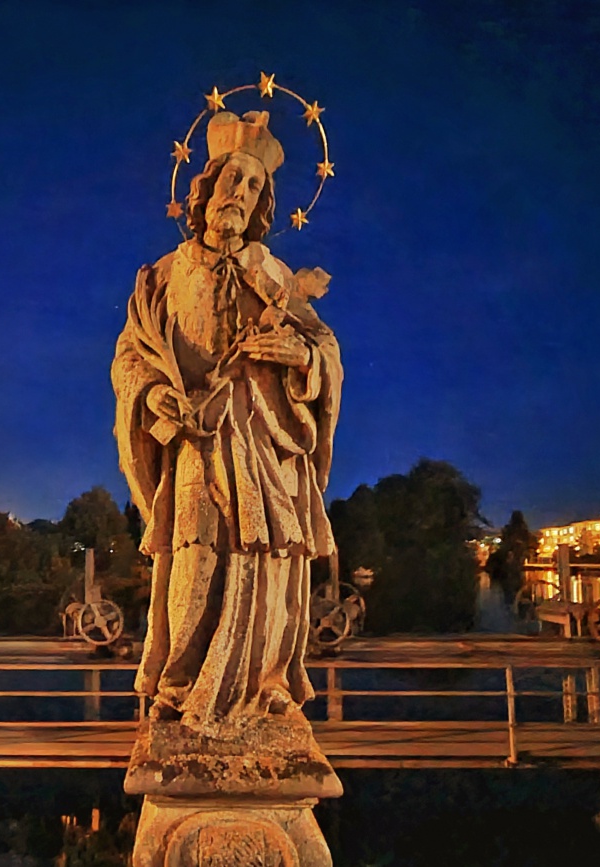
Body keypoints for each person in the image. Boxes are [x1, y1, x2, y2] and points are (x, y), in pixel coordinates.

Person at [111, 110, 342, 731]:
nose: (238, 194)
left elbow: (326, 350)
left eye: (252, 187)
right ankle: (180, 683)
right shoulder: (161, 277)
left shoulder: (276, 277)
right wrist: (153, 394)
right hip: (197, 438)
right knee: (194, 559)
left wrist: (303, 359)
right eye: (230, 180)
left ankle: (264, 682)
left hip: (267, 444)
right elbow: (131, 355)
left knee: (265, 563)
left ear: (263, 203)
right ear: (205, 188)